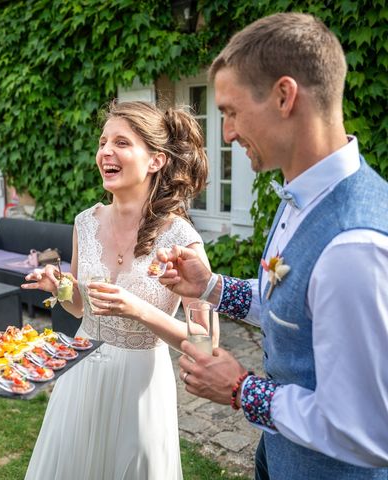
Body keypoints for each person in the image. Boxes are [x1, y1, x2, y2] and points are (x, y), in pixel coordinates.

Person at [154, 12, 388, 480]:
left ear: (285, 96)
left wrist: (242, 390)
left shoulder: (353, 246)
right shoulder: (301, 193)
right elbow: (296, 310)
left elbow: (368, 430)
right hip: (280, 456)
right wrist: (211, 286)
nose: (228, 134)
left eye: (231, 112)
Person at [22, 100, 211, 479]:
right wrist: (60, 287)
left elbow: (203, 342)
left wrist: (137, 309)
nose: (105, 151)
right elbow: (79, 308)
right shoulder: (85, 223)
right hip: (81, 372)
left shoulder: (182, 240)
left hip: (140, 385)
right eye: (103, 141)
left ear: (155, 160)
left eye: (122, 143)